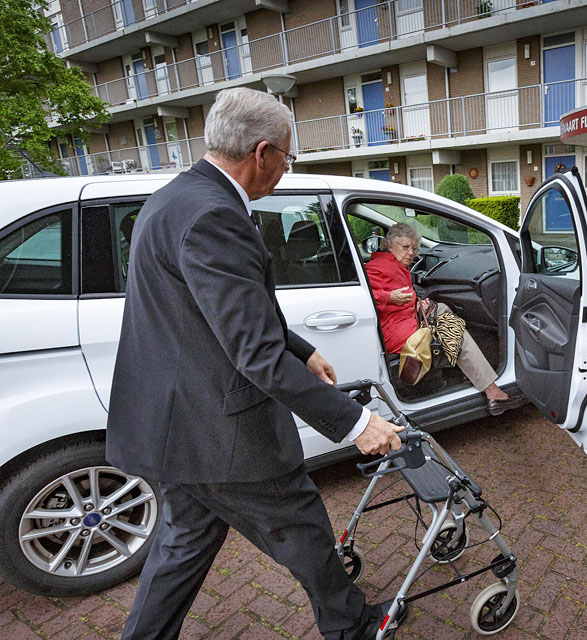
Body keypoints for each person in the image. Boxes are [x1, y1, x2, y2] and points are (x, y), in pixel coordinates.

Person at [106, 87, 403, 640]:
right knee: (304, 528)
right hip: (222, 435)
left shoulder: (174, 199)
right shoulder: (215, 217)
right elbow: (253, 352)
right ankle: (354, 628)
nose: (285, 172)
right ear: (262, 152)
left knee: (183, 544)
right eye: (288, 159)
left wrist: (304, 349)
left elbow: (221, 314)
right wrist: (357, 424)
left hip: (178, 429)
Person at [365, 223, 525, 415]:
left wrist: (415, 302)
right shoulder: (379, 267)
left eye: (414, 248)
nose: (411, 253)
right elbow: (362, 295)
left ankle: (472, 375)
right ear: (390, 245)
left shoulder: (394, 264)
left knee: (444, 312)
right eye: (405, 247)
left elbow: (400, 294)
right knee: (452, 328)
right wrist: (388, 297)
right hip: (396, 332)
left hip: (401, 320)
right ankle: (492, 391)